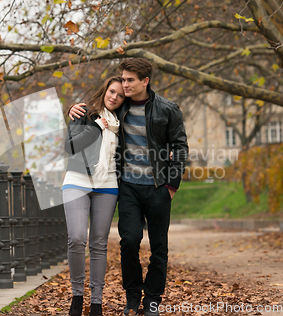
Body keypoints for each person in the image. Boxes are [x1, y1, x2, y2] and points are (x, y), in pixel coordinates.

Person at [69, 58, 189, 316]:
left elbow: (180, 148)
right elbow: (95, 112)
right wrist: (73, 109)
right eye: (122, 80)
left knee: (159, 246)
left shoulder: (167, 109)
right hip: (128, 187)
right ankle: (133, 298)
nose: (124, 85)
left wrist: (172, 185)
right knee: (129, 242)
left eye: (129, 80)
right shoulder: (118, 110)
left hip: (158, 187)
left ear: (145, 81)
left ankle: (153, 300)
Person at [63, 76, 126, 316]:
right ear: (105, 90)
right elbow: (70, 147)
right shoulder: (83, 113)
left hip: (108, 184)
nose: (114, 97)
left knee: (99, 243)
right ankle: (77, 295)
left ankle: (97, 302)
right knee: (77, 237)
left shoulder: (122, 122)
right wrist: (97, 127)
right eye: (112, 92)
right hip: (77, 181)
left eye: (120, 95)